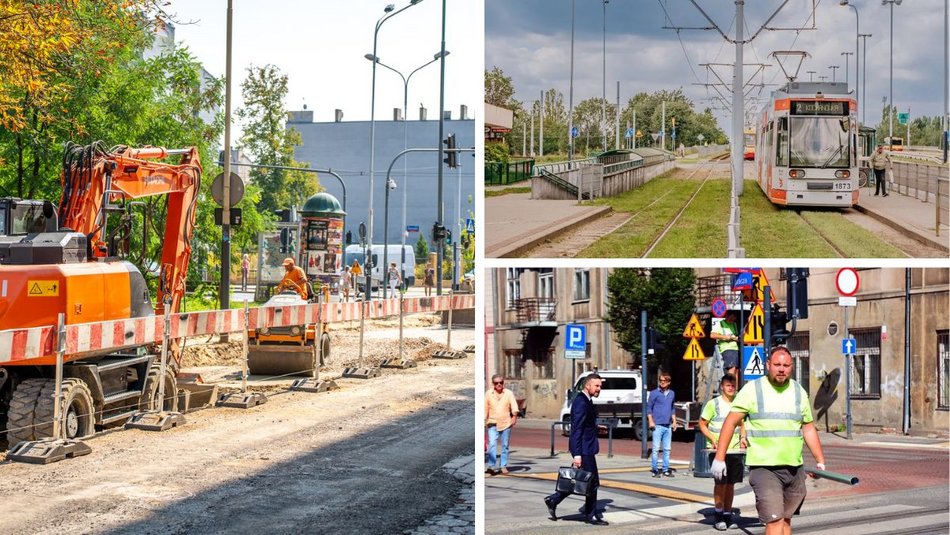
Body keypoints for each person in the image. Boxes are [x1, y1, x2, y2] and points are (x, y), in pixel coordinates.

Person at [711, 346, 826, 535]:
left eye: (786, 365)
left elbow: (808, 427)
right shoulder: (752, 390)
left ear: (791, 367)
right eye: (777, 364)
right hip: (764, 469)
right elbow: (730, 423)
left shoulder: (799, 391)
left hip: (794, 468)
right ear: (768, 365)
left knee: (786, 521)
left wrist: (820, 460)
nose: (781, 369)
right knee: (774, 520)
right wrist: (720, 458)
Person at [544, 373, 608, 526]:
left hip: (587, 447)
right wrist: (577, 455)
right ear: (588, 385)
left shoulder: (586, 400)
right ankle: (590, 515)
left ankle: (553, 500)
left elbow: (584, 424)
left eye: (600, 386)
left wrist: (596, 427)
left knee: (581, 480)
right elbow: (576, 429)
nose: (599, 389)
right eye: (597, 386)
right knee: (592, 482)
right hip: (584, 449)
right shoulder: (581, 402)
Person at [699, 373, 748, 531]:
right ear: (722, 387)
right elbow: (702, 424)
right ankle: (718, 513)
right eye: (728, 386)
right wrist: (712, 438)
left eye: (733, 386)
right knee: (720, 484)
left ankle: (728, 513)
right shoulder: (714, 404)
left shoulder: (738, 404)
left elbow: (742, 424)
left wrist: (743, 437)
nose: (731, 388)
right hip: (718, 450)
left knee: (731, 484)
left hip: (734, 450)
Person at [485, 374, 519, 476]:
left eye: (501, 382)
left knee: (505, 445)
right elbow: (485, 408)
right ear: (493, 384)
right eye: (496, 383)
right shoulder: (488, 394)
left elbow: (514, 406)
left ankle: (503, 466)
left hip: (506, 423)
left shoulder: (508, 393)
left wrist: (514, 417)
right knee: (492, 444)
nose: (499, 384)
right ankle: (491, 466)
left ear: (503, 383)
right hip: (492, 422)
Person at [647, 370, 678, 477]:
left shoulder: (672, 393)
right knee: (655, 449)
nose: (662, 382)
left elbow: (672, 408)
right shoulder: (654, 393)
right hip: (657, 425)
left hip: (668, 425)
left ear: (669, 382)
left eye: (664, 381)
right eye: (660, 380)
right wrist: (651, 421)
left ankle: (665, 469)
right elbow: (649, 408)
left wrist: (674, 421)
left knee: (667, 449)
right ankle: (655, 469)